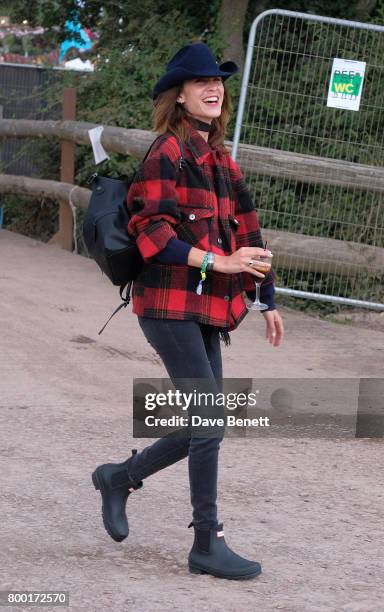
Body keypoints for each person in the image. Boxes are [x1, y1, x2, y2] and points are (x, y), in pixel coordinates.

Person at [91, 42, 284, 580]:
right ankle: (206, 542)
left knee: (207, 421)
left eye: (217, 82)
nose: (213, 88)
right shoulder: (166, 153)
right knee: (211, 420)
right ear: (178, 96)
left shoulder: (223, 162)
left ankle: (120, 477)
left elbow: (251, 235)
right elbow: (150, 232)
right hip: (167, 304)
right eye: (200, 82)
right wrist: (219, 263)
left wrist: (266, 298)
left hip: (206, 309)